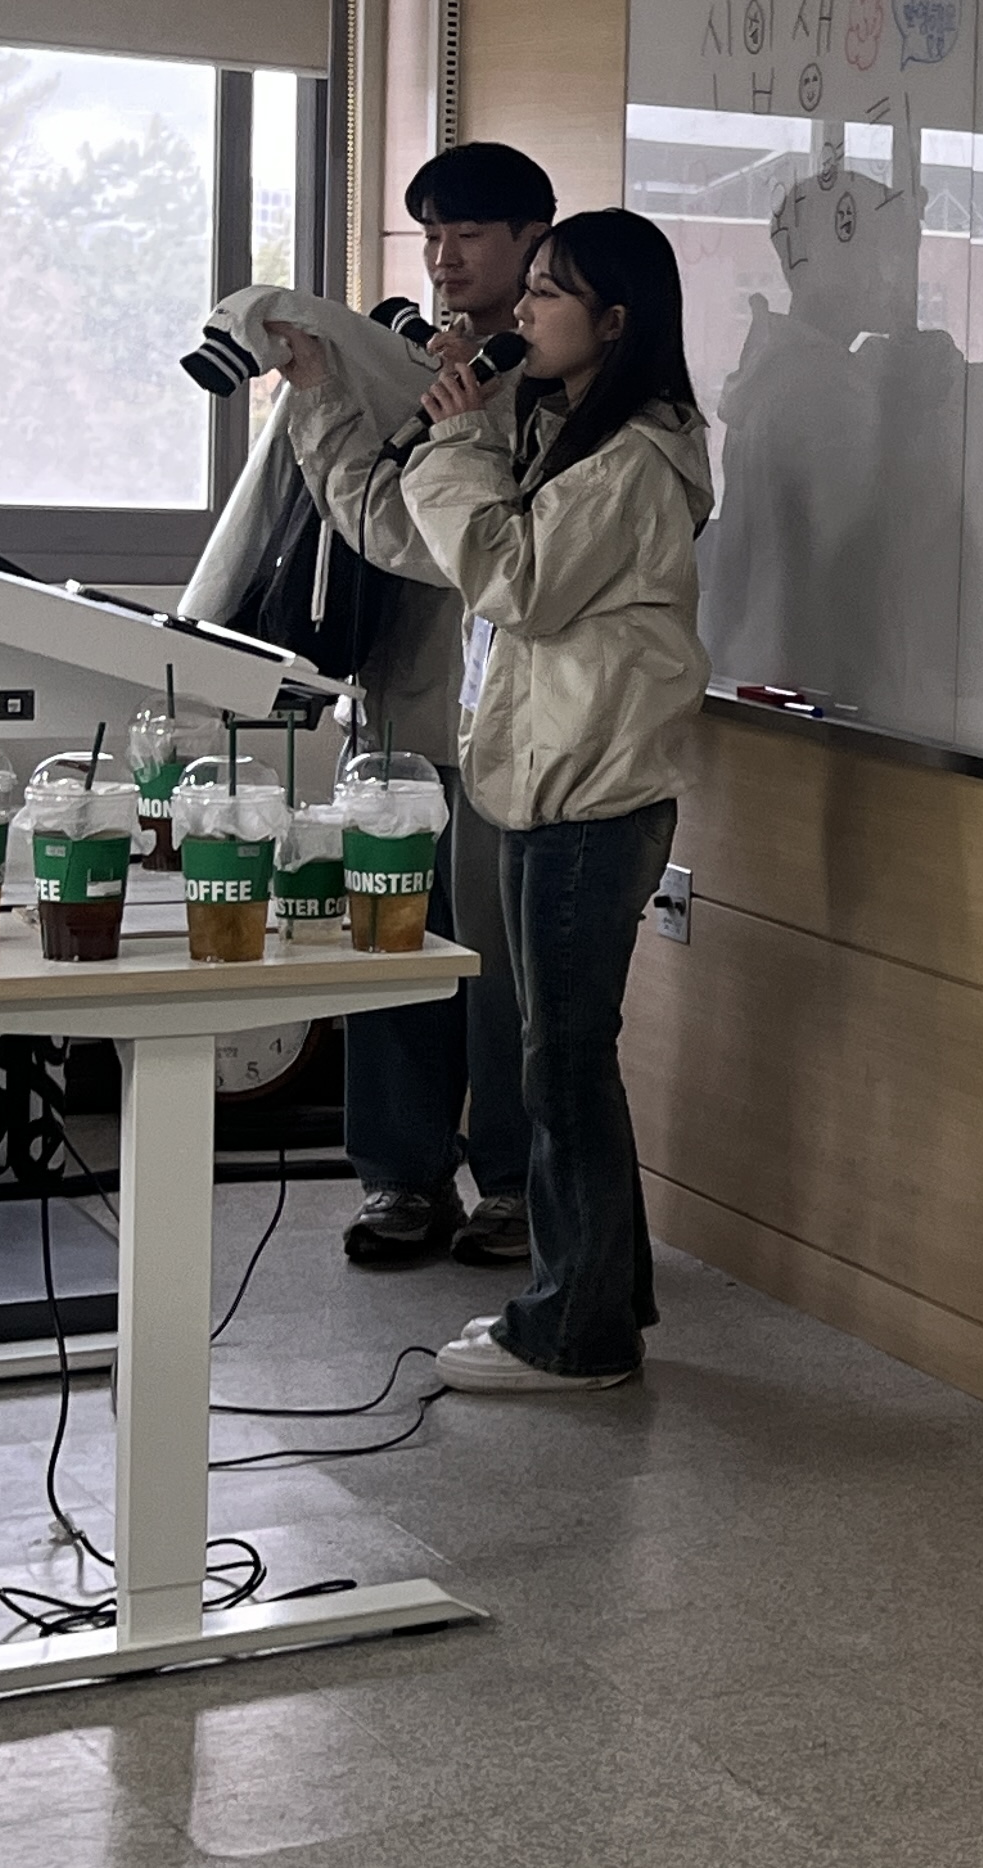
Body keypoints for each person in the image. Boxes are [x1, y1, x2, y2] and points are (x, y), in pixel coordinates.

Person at [401, 209, 714, 1392]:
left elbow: (517, 577)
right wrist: (475, 420)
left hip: (593, 794)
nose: (520, 310)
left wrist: (455, 444)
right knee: (564, 1058)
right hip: (555, 782)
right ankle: (600, 1298)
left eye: (546, 291)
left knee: (563, 1063)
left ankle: (575, 1333)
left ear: (615, 320)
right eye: (525, 287)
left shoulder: (633, 458)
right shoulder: (576, 432)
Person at [267, 142, 553, 1270]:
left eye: (469, 234)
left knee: (499, 975)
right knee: (388, 953)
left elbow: (430, 541)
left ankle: (513, 1189)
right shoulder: (420, 359)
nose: (443, 258)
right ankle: (400, 1178)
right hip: (391, 709)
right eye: (431, 235)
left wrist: (342, 412)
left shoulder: (548, 383)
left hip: (501, 731)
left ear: (533, 239)